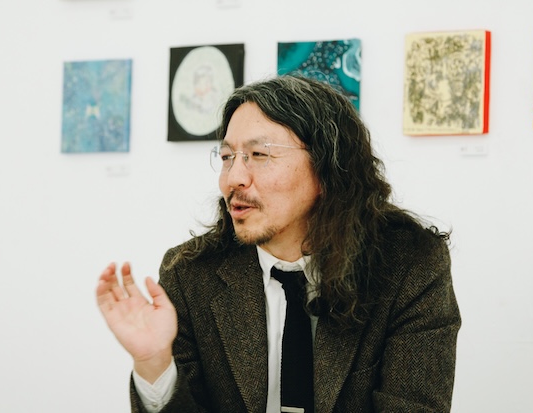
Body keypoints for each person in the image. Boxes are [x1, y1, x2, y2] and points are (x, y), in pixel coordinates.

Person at [96, 75, 461, 412]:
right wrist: (154, 363)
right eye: (227, 157)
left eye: (259, 155)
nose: (233, 179)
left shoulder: (409, 267)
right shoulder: (191, 275)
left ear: (327, 168)